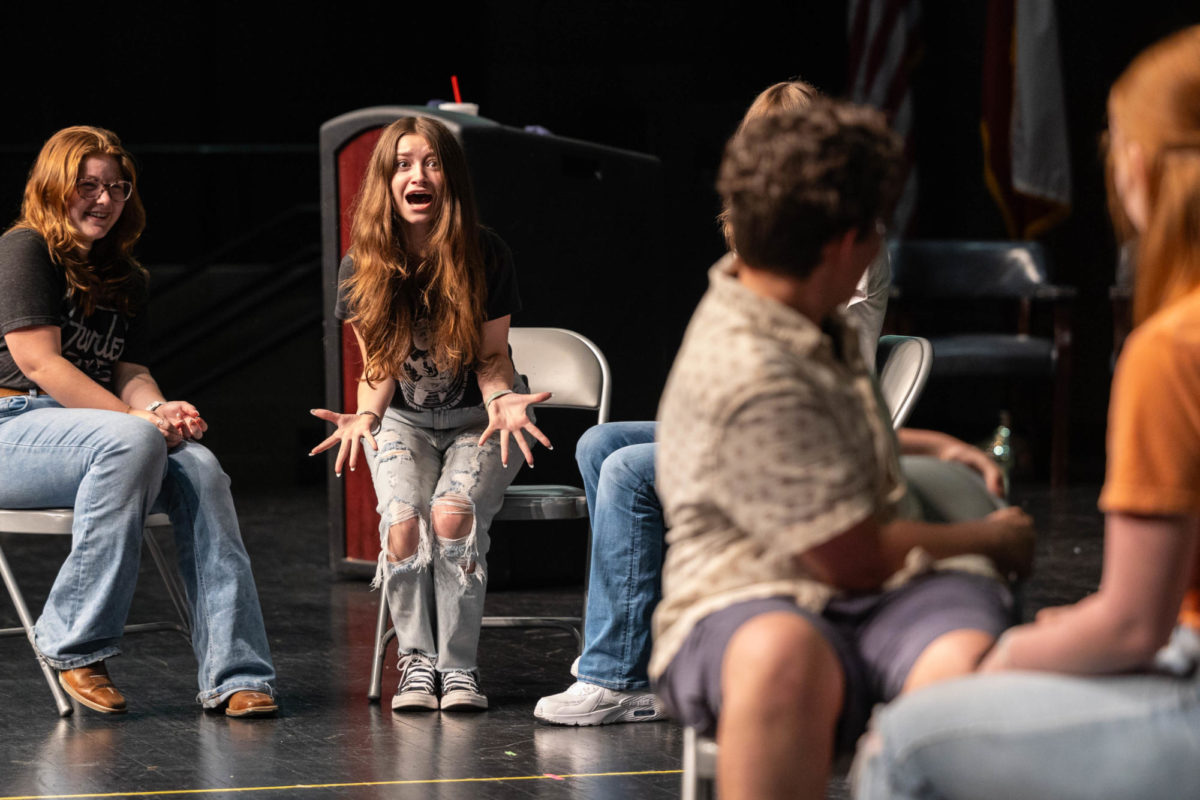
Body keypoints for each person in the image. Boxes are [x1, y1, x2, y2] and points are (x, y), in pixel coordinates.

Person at [534, 80, 998, 727]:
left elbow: (788, 383)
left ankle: (615, 672)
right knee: (599, 443)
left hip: (803, 428)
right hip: (769, 416)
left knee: (630, 470)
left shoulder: (839, 245)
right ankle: (631, 653)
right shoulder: (763, 252)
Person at [852, 26, 1200, 800]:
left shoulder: (1174, 349)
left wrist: (1007, 655)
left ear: (1138, 168)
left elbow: (1133, 627)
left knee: (909, 739)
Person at [651, 101, 1034, 800]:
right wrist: (991, 538)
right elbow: (849, 556)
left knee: (965, 666)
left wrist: (938, 448)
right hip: (753, 592)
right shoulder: (748, 364)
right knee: (782, 658)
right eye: (873, 231)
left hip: (882, 593)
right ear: (841, 243)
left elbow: (831, 448)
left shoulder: (810, 316)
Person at [0, 126, 277, 717]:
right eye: (88, 186)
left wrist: (158, 410)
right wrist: (135, 419)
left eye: (116, 188)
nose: (104, 200)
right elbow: (37, 361)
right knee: (130, 439)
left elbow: (131, 370)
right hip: (12, 424)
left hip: (98, 432)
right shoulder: (25, 247)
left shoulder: (127, 276)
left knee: (201, 469)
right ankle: (76, 643)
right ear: (55, 186)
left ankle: (238, 672)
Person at [310, 116, 549, 713]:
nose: (419, 175)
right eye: (405, 163)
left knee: (451, 514)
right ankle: (416, 663)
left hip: (479, 420)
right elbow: (381, 365)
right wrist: (365, 415)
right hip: (406, 421)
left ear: (451, 179)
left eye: (433, 163)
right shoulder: (361, 265)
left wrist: (501, 399)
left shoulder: (484, 254)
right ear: (386, 181)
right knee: (402, 524)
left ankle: (459, 668)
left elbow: (494, 356)